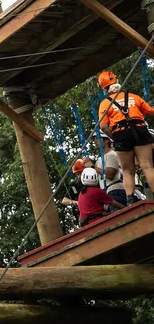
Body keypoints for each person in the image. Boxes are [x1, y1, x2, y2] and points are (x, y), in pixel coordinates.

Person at [97, 69, 154, 203]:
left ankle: (130, 199)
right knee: (147, 166)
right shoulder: (134, 97)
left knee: (127, 170)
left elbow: (103, 127)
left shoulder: (105, 104)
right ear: (117, 82)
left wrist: (114, 137)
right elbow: (151, 112)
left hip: (120, 133)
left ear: (104, 89)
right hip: (140, 130)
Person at [60, 167, 125, 227]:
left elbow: (94, 213)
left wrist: (110, 213)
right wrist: (125, 208)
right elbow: (115, 203)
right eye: (77, 174)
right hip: (97, 222)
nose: (78, 176)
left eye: (80, 174)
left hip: (86, 224)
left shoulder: (81, 194)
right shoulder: (96, 191)